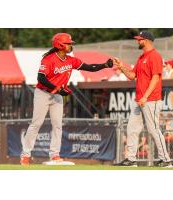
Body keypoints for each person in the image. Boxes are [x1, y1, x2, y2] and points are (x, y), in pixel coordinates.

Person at [20, 32, 114, 165]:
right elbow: (41, 78)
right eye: (68, 43)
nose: (71, 45)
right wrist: (58, 89)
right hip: (43, 93)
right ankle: (25, 155)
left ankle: (54, 154)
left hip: (57, 94)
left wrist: (104, 65)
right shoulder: (48, 59)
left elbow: (89, 68)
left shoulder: (71, 60)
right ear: (60, 45)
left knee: (58, 125)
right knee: (36, 123)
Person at [114, 30, 173, 168]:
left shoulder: (155, 56)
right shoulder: (141, 58)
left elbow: (156, 77)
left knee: (153, 129)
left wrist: (146, 96)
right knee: (132, 128)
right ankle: (131, 159)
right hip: (139, 100)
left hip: (151, 99)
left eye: (139, 39)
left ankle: (166, 160)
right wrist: (122, 67)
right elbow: (131, 76)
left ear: (146, 40)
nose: (137, 41)